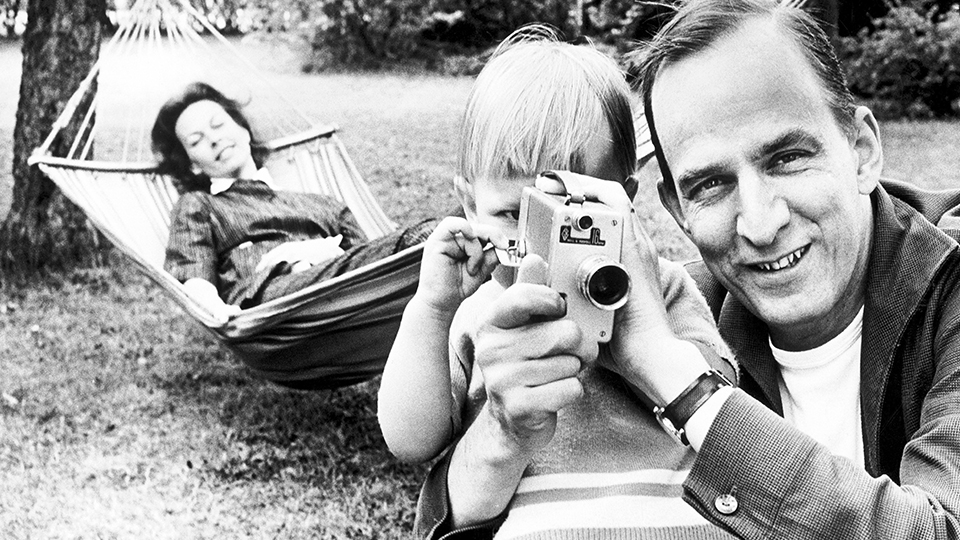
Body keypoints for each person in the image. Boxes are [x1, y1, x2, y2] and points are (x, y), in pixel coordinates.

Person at [416, 1, 960, 538]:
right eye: (710, 185)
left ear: (861, 150)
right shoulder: (678, 302)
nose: (761, 223)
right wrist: (503, 432)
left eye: (788, 158)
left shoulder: (949, 286)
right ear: (676, 209)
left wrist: (675, 377)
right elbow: (444, 514)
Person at [381, 27, 736, 539]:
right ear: (468, 206)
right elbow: (410, 439)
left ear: (625, 199)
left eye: (574, 213)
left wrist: (646, 331)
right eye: (510, 213)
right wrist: (430, 309)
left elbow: (719, 400)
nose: (538, 244)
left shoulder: (659, 286)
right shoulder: (477, 312)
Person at [153, 82, 434, 321]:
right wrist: (218, 314)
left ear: (243, 129)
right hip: (269, 301)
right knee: (433, 243)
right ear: (193, 166)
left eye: (218, 124)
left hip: (348, 290)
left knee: (434, 238)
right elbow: (195, 273)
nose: (214, 139)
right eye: (196, 141)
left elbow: (368, 259)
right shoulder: (200, 205)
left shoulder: (322, 203)